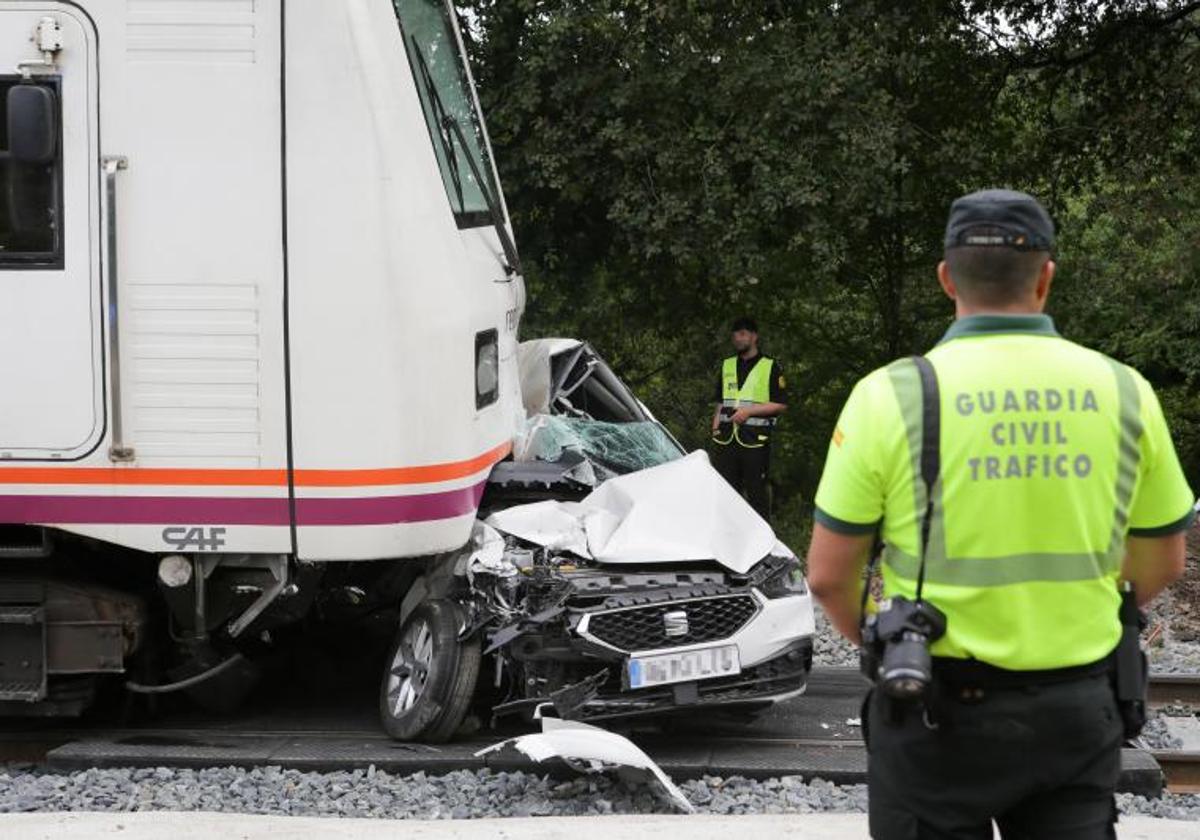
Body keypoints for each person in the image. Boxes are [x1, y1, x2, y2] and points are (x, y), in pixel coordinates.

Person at [806, 188, 1195, 839]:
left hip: (935, 708)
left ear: (944, 278)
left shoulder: (890, 396)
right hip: (1076, 712)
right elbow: (1163, 560)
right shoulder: (1126, 390)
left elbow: (827, 576)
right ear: (1046, 276)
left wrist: (881, 643)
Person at [711, 316, 788, 520]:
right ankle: (730, 542)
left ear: (754, 337)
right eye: (735, 334)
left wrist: (749, 412)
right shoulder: (726, 365)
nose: (738, 338)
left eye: (743, 334)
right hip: (726, 440)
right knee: (726, 495)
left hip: (754, 440)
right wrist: (715, 428)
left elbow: (780, 405)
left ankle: (763, 543)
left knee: (757, 496)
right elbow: (720, 402)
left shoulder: (771, 366)